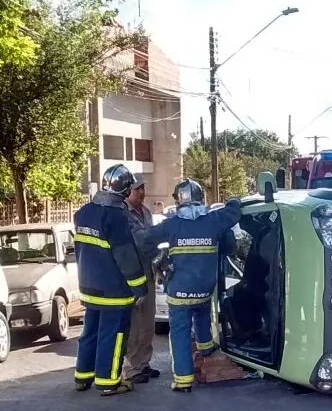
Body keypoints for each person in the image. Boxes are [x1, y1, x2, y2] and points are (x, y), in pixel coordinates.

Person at [137, 179, 241, 393]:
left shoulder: (173, 223)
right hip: (205, 287)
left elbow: (145, 240)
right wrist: (233, 201)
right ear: (201, 197)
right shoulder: (214, 220)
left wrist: (160, 258)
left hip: (180, 289)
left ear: (178, 200)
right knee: (201, 312)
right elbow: (233, 216)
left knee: (180, 331)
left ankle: (184, 380)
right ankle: (206, 349)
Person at [73, 164, 148, 396]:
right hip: (114, 290)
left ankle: (82, 376)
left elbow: (80, 250)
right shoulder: (117, 217)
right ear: (126, 189)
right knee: (114, 335)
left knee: (91, 331)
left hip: (89, 286)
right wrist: (140, 287)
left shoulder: (84, 212)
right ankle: (108, 381)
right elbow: (125, 256)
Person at [122, 175, 159, 384]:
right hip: (133, 274)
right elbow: (141, 241)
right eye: (138, 189)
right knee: (135, 324)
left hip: (148, 272)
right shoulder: (123, 214)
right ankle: (132, 369)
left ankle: (144, 364)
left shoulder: (145, 212)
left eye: (143, 188)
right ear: (128, 191)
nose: (142, 192)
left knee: (148, 323)